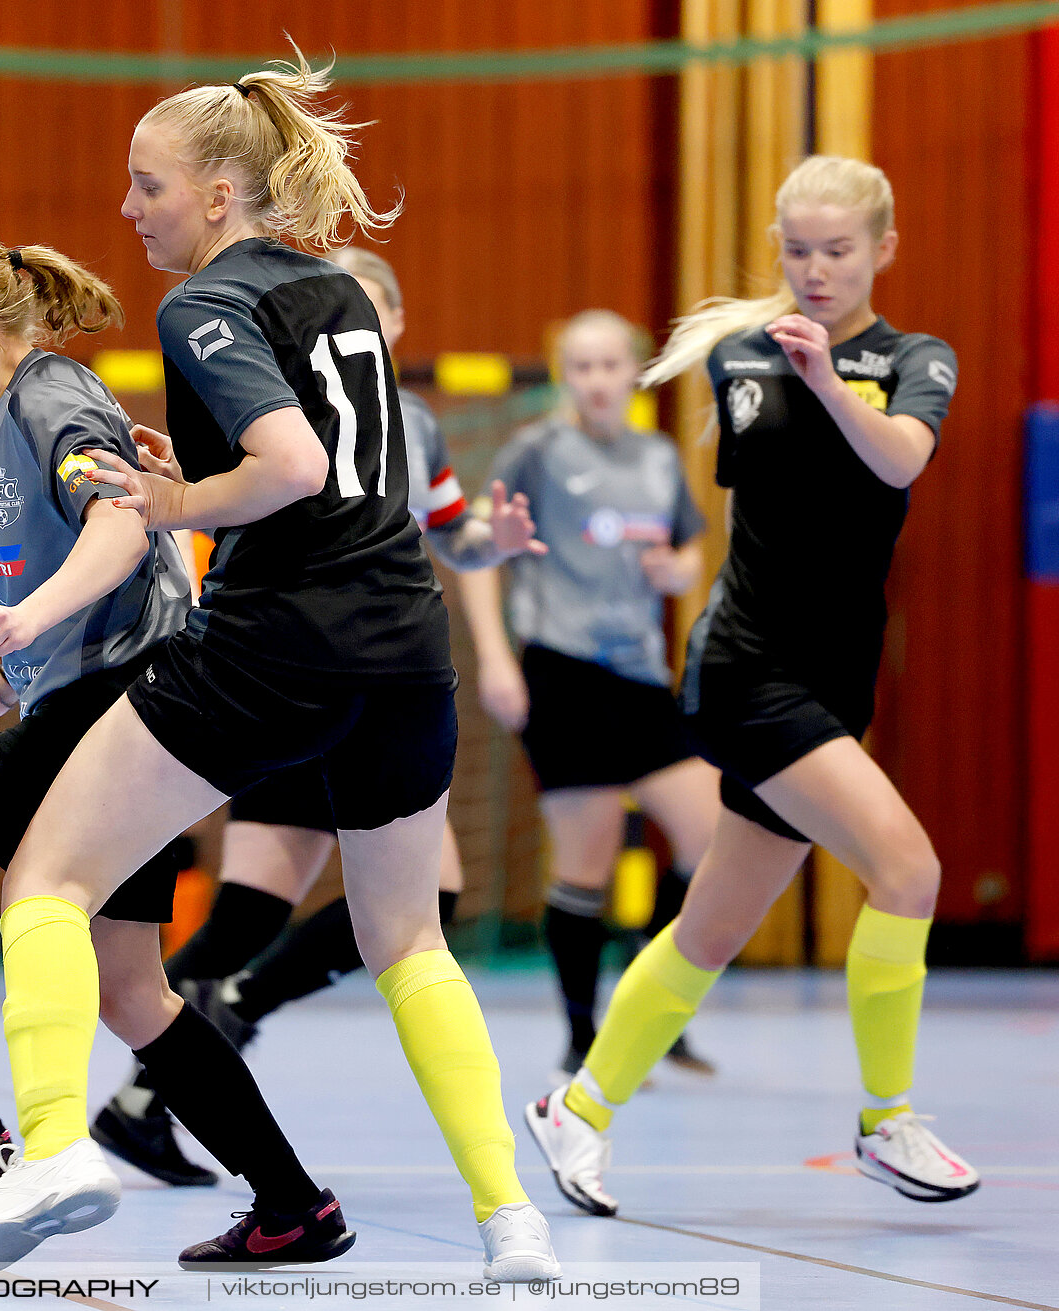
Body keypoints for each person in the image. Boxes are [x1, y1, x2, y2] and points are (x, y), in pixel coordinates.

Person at [0, 54, 561, 1282]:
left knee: (46, 883)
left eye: (146, 184)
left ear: (220, 195)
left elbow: (291, 468)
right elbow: (320, 451)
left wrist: (172, 501)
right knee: (409, 943)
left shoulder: (202, 302)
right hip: (404, 645)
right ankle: (510, 1221)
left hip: (283, 638)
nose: (129, 208)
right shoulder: (332, 286)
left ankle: (55, 1149)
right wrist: (199, 468)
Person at [0, 223, 346, 1258]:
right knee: (131, 992)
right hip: (96, 693)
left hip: (119, 706)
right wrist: (3, 679)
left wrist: (25, 631)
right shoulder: (10, 413)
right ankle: (294, 1205)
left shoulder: (51, 399)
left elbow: (124, 530)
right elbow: (87, 578)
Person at [524, 155, 981, 1217]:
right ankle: (886, 1122)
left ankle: (578, 1109)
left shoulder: (920, 359)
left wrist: (836, 380)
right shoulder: (745, 358)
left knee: (711, 931)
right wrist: (814, 377)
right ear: (777, 249)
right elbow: (801, 486)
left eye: (838, 251)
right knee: (908, 873)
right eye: (798, 251)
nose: (815, 271)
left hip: (834, 678)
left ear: (883, 250)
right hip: (750, 672)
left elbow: (901, 461)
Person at [92, 245, 498, 1188]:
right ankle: (185, 1053)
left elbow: (450, 527)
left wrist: (492, 543)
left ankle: (148, 1093)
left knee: (350, 906)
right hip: (286, 658)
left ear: (391, 324)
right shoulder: (256, 389)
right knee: (283, 911)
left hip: (365, 666)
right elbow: (249, 486)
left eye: (382, 308)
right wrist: (178, 493)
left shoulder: (416, 425)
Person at [453, 309, 721, 1083]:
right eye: (582, 367)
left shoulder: (659, 457)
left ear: (633, 371)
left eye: (610, 365)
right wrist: (499, 659)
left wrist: (681, 568)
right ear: (565, 376)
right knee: (588, 862)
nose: (598, 380)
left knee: (711, 840)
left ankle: (653, 998)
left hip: (639, 674)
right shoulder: (537, 451)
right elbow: (475, 548)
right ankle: (582, 1035)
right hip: (561, 672)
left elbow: (688, 543)